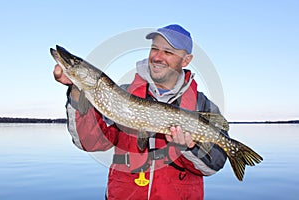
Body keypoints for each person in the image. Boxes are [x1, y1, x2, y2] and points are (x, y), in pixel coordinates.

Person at [53, 24, 228, 200]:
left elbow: (213, 166)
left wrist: (189, 147)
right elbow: (90, 142)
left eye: (168, 52)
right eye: (154, 49)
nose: (158, 57)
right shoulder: (123, 94)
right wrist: (76, 90)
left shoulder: (203, 106)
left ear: (186, 60)